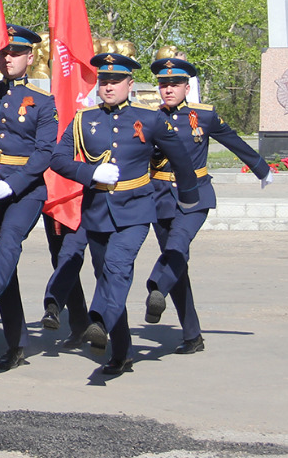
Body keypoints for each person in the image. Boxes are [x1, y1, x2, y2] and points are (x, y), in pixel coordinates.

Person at [49, 51, 198, 378]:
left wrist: (188, 201)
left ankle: (98, 319)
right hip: (97, 211)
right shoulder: (82, 119)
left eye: (115, 81)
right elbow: (58, 159)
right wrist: (89, 175)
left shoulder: (151, 119)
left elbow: (182, 160)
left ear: (130, 84)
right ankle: (121, 351)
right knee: (106, 276)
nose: (108, 86)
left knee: (117, 269)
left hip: (135, 209)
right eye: (104, 80)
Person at [144, 55, 272, 356]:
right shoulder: (149, 118)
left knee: (178, 245)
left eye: (174, 84)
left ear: (187, 88)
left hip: (196, 194)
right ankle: (192, 334)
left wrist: (261, 168)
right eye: (163, 84)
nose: (168, 89)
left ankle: (155, 289)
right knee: (176, 265)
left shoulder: (204, 116)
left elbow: (234, 141)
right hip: (160, 195)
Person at [0, 25, 56, 370]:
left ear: (30, 58)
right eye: (4, 52)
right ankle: (16, 341)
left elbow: (44, 153)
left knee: (10, 242)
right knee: (5, 265)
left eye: (16, 53)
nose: (8, 58)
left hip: (25, 191)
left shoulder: (43, 102)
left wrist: (13, 185)